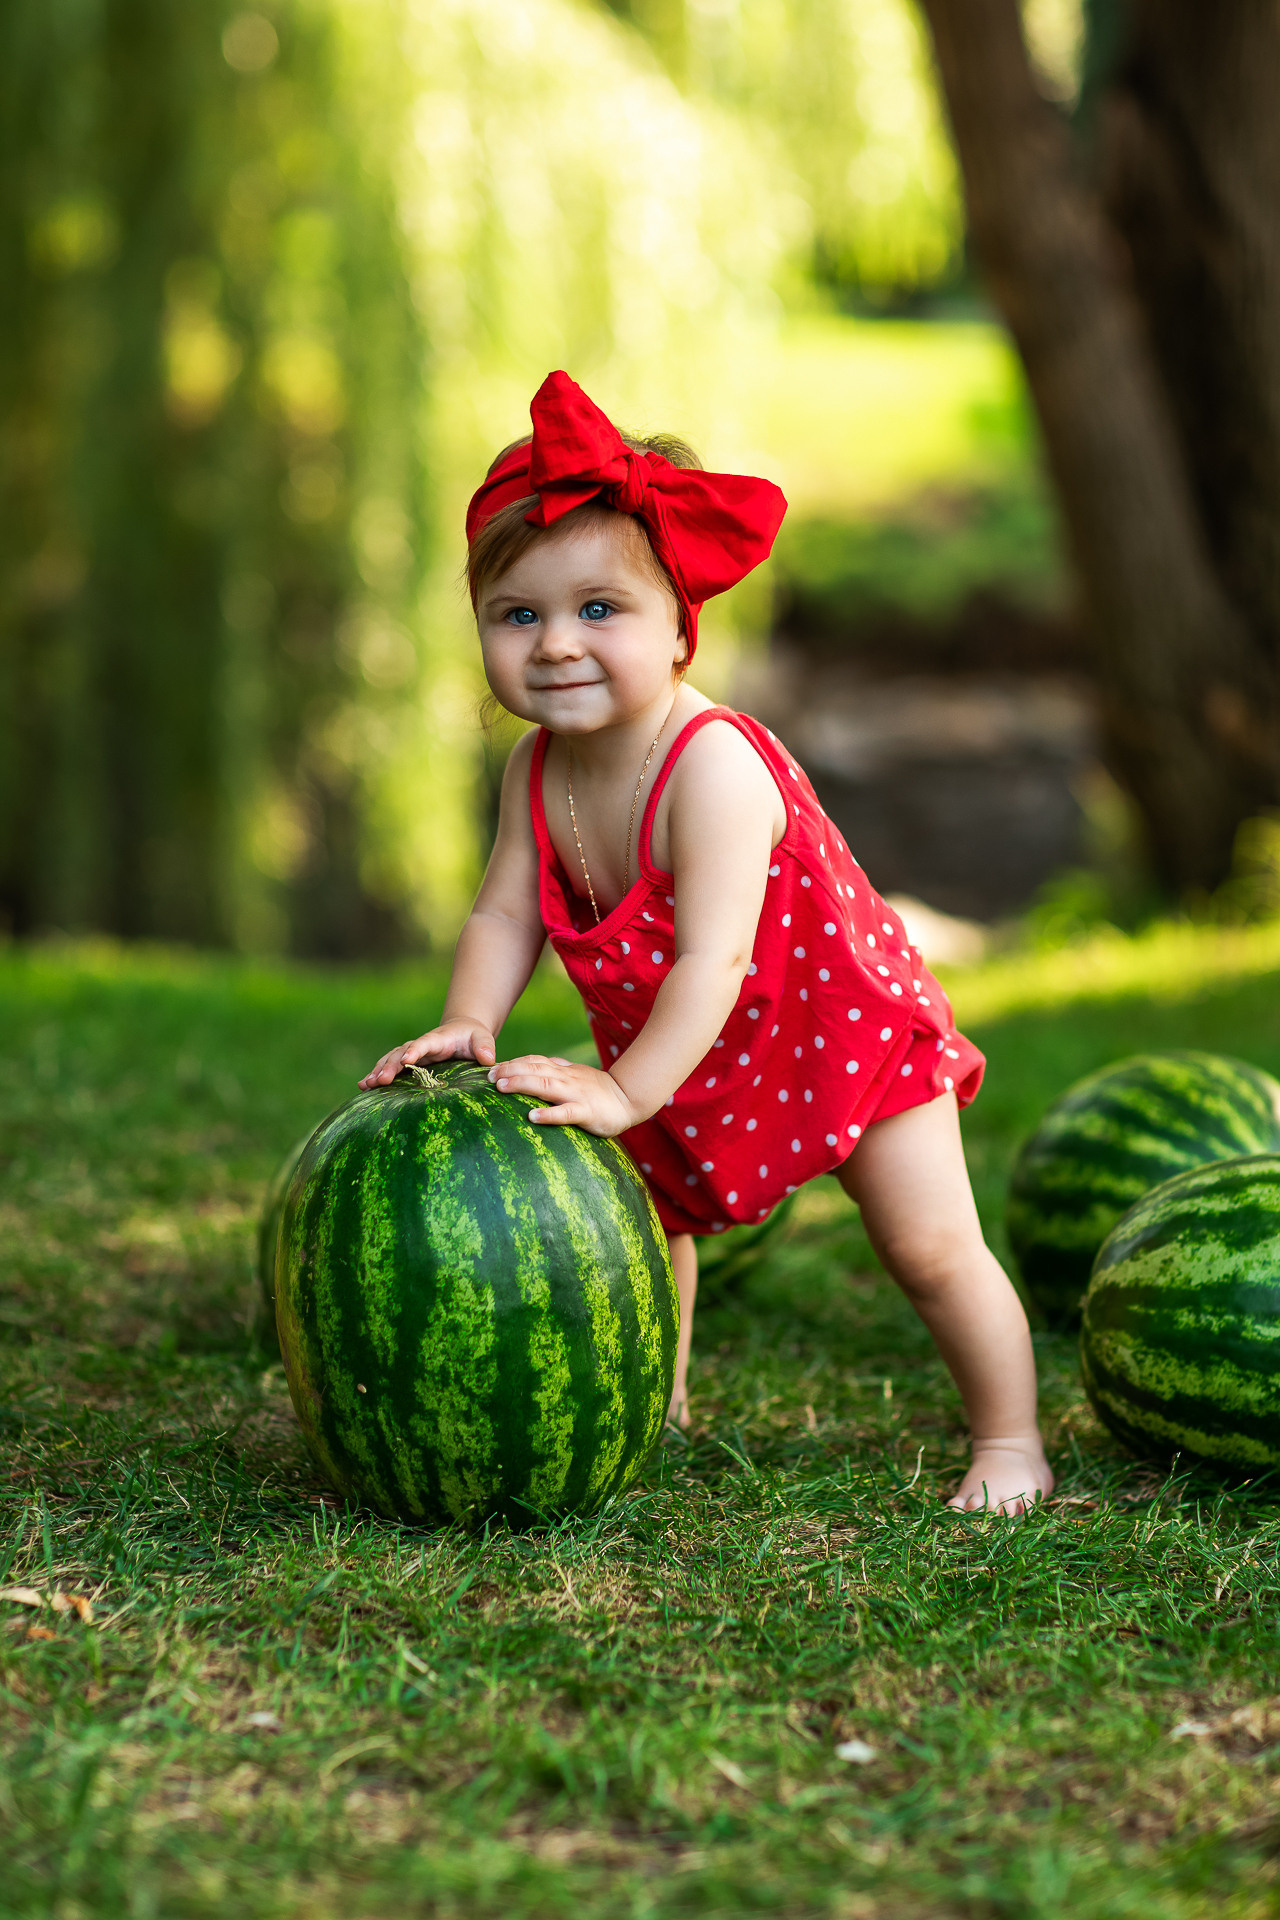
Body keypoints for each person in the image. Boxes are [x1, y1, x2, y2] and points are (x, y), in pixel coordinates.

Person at [360, 371, 1053, 1516]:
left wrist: (627, 1095)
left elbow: (711, 962)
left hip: (834, 1029)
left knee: (928, 1248)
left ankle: (1011, 1440)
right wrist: (469, 1018)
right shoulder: (534, 770)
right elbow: (503, 910)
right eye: (516, 615)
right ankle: (657, 1403)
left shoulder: (711, 769)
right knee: (651, 1225)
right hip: (683, 1050)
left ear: (680, 625)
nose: (554, 646)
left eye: (599, 610)